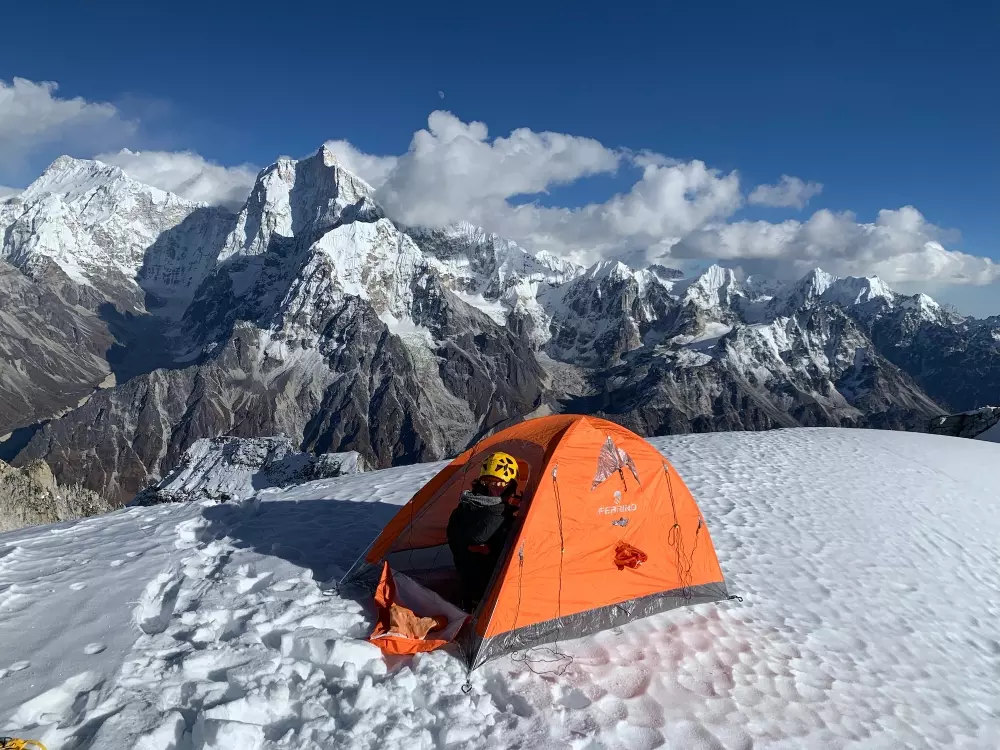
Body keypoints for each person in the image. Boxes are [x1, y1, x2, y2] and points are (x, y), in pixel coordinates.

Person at [446, 451, 520, 610]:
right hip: (484, 589)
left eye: (500, 484)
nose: (495, 488)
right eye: (489, 483)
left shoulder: (469, 503)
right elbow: (478, 537)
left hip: (471, 582)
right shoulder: (493, 513)